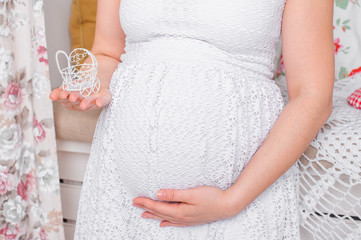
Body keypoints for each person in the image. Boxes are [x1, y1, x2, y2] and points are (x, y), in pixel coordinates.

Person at [50, 0, 334, 239]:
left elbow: (312, 97)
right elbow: (107, 51)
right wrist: (89, 86)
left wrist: (231, 202)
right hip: (121, 200)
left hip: (240, 200)